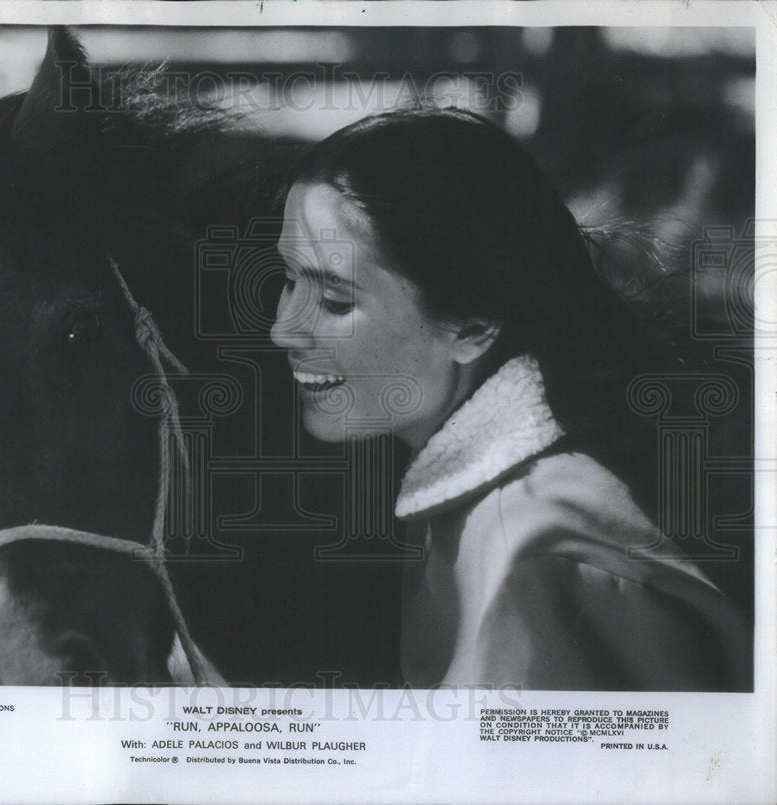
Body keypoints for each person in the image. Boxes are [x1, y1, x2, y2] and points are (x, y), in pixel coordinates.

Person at [269, 108, 752, 691]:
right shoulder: (476, 510)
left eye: (336, 301)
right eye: (290, 278)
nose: (283, 329)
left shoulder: (530, 554)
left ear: (472, 326)